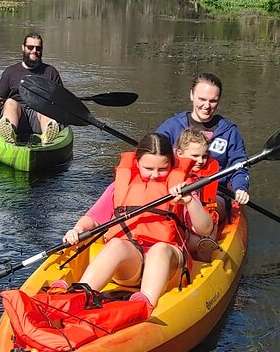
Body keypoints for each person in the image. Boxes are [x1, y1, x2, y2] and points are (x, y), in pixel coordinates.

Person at [58, 133, 214, 314]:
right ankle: (80, 295)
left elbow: (205, 229)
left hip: (169, 265)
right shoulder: (120, 186)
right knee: (116, 244)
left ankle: (144, 304)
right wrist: (77, 229)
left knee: (159, 249)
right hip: (130, 266)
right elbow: (93, 218)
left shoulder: (181, 188)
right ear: (137, 163)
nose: (155, 175)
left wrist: (189, 201)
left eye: (162, 169)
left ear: (171, 164)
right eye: (148, 168)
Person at [155, 73, 250, 217]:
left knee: (203, 211)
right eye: (202, 99)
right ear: (192, 95)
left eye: (213, 101)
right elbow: (152, 156)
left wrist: (240, 188)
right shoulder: (171, 126)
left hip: (214, 193)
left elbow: (239, 166)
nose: (207, 106)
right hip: (175, 189)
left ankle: (204, 232)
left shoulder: (229, 132)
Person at [0, 32, 62, 146]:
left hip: (40, 118)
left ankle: (48, 134)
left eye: (38, 48)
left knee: (45, 105)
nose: (34, 51)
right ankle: (10, 132)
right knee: (9, 102)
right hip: (18, 118)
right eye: (30, 47)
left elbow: (61, 102)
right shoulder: (10, 72)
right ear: (23, 48)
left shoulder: (51, 72)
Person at [174, 128, 220, 262]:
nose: (200, 161)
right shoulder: (169, 171)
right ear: (179, 153)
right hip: (181, 224)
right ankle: (199, 242)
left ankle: (206, 244)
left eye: (204, 156)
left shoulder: (207, 171)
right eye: (195, 156)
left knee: (213, 218)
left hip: (200, 219)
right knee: (193, 238)